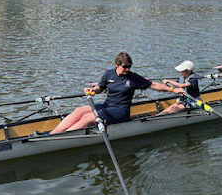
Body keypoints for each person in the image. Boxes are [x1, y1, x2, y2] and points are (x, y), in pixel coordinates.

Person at [49, 52, 184, 134]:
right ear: (117, 65)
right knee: (79, 111)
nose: (127, 69)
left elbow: (154, 85)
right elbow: (99, 88)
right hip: (108, 106)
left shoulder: (133, 78)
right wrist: (92, 91)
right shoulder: (109, 74)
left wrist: (173, 89)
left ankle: (61, 138)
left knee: (87, 118)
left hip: (121, 111)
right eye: (124, 67)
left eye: (129, 67)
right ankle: (52, 134)